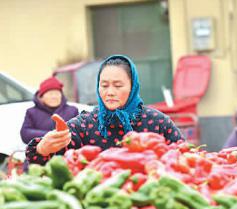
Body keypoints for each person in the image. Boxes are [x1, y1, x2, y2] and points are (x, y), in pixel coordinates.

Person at [26, 54, 183, 165]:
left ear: (132, 87)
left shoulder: (156, 122)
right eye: (104, 85)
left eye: (118, 85)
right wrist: (42, 148)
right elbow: (43, 158)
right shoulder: (85, 125)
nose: (110, 92)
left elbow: (184, 155)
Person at [20, 77, 79, 144]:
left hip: (68, 151)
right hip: (42, 151)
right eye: (50, 94)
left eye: (57, 93)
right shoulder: (31, 112)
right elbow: (25, 133)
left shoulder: (72, 110)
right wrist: (51, 135)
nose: (54, 97)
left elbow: (78, 132)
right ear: (41, 97)